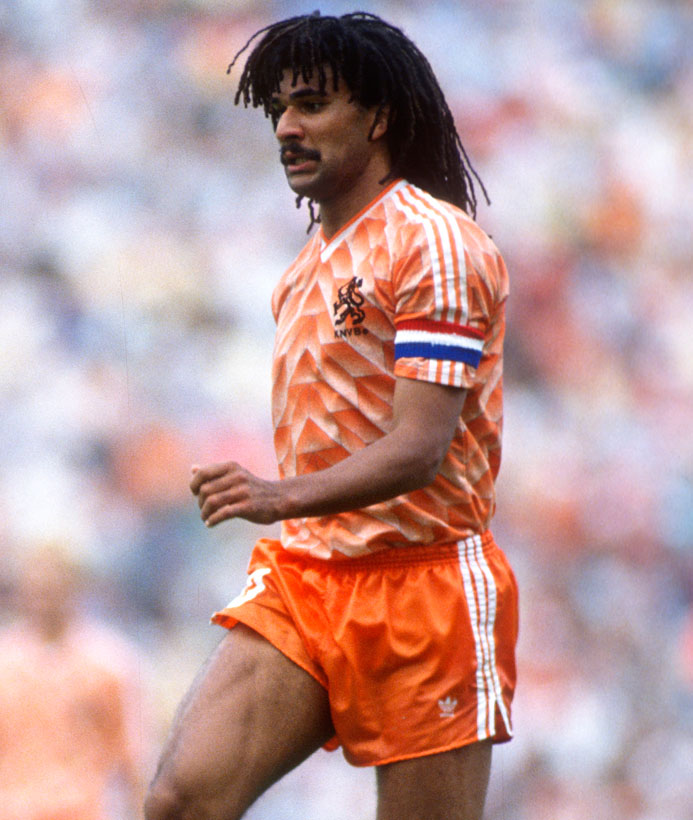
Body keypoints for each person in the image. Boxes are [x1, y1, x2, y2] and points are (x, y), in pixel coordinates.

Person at [145, 11, 518, 820]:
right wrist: (287, 511)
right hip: (309, 576)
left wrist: (275, 495)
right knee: (181, 802)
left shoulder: (434, 244)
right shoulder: (305, 268)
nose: (287, 126)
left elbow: (420, 447)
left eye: (311, 105)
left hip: (423, 587)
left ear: (377, 118)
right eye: (280, 108)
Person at [0, 542, 151, 820]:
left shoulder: (109, 664)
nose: (44, 595)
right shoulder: (5, 663)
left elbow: (133, 761)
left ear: (75, 586)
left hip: (83, 811)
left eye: (53, 585)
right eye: (38, 586)